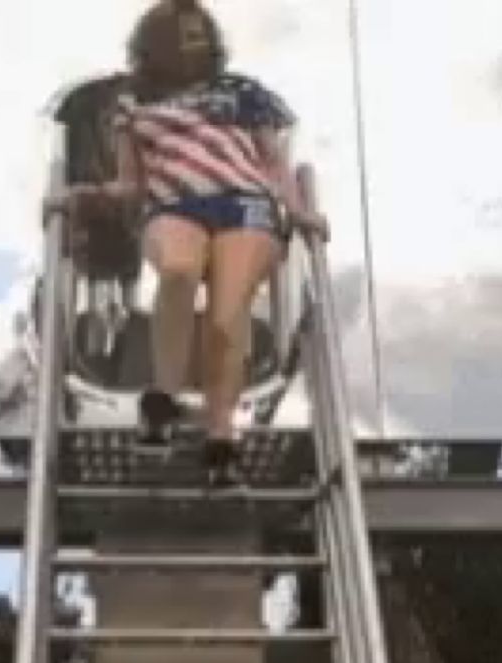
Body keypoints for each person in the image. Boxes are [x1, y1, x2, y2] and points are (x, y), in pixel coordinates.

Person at [46, 0, 327, 485]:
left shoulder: (244, 93)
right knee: (178, 269)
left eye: (200, 34)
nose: (194, 42)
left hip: (245, 202)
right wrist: (80, 196)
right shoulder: (132, 107)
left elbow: (273, 163)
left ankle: (222, 442)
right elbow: (130, 185)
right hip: (173, 203)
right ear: (156, 45)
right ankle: (162, 398)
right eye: (184, 34)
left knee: (226, 313)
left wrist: (299, 210)